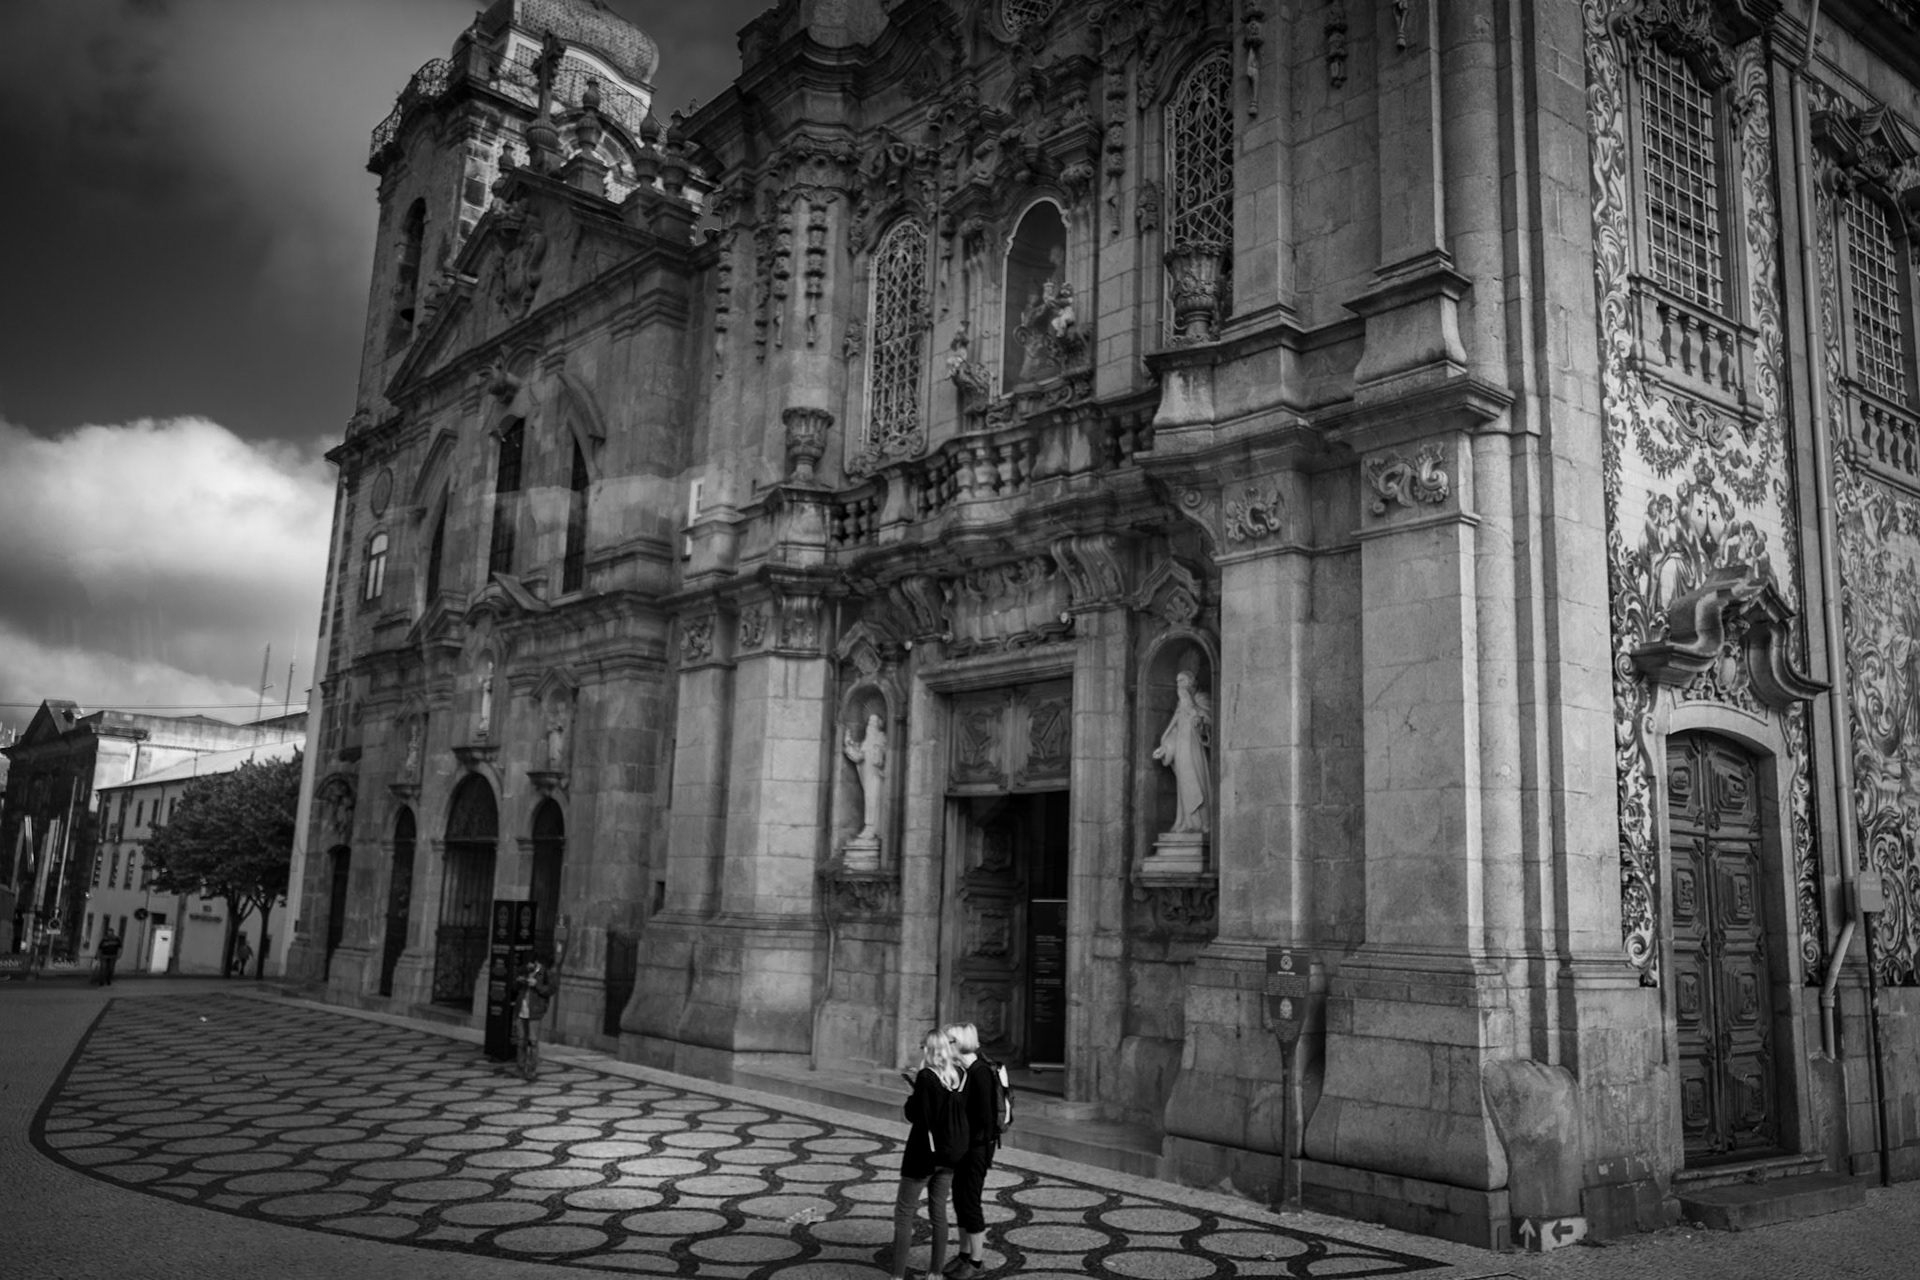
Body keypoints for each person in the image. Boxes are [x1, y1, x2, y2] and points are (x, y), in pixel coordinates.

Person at [892, 1029, 966, 1280]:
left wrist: (913, 1090)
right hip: (950, 1154)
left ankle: (897, 1277)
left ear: (930, 1049)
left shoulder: (926, 1076)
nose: (921, 1051)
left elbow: (917, 1115)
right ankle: (935, 1273)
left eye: (923, 1047)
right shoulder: (960, 1074)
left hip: (923, 1155)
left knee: (904, 1214)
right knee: (939, 1214)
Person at [943, 1022, 998, 1278]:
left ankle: (976, 1263)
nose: (946, 1046)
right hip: (965, 1147)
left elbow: (984, 1120)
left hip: (975, 1149)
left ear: (962, 1042)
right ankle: (964, 1254)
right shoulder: (965, 1070)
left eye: (950, 1041)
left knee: (971, 1203)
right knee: (960, 1200)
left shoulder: (979, 1072)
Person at [515, 956, 555, 1079]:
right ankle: (520, 1067)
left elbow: (551, 990)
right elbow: (514, 986)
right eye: (527, 965)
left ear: (536, 963)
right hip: (521, 1009)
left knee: (533, 1041)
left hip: (535, 1011)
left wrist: (536, 984)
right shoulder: (524, 970)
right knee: (521, 1040)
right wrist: (519, 981)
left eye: (530, 964)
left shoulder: (545, 973)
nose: (528, 967)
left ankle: (532, 1069)